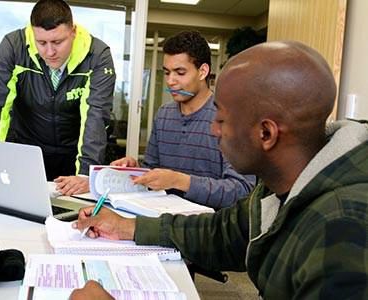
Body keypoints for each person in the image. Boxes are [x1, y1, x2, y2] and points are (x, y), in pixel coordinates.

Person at [70, 41, 368, 299]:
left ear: (266, 134)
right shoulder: (283, 183)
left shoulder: (343, 229)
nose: (213, 129)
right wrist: (128, 227)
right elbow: (221, 233)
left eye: (222, 120)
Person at [60, 31, 255, 208]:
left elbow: (242, 190)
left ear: (203, 72)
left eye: (180, 73)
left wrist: (180, 181)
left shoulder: (229, 118)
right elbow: (151, 171)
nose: (170, 81)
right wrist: (134, 170)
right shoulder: (164, 114)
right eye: (167, 72)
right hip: (161, 219)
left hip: (209, 229)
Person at [0, 0, 116, 192]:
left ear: (73, 32)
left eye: (58, 42)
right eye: (41, 42)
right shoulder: (13, 47)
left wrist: (85, 174)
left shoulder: (97, 56)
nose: (50, 52)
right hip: (26, 151)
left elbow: (96, 115)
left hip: (74, 154)